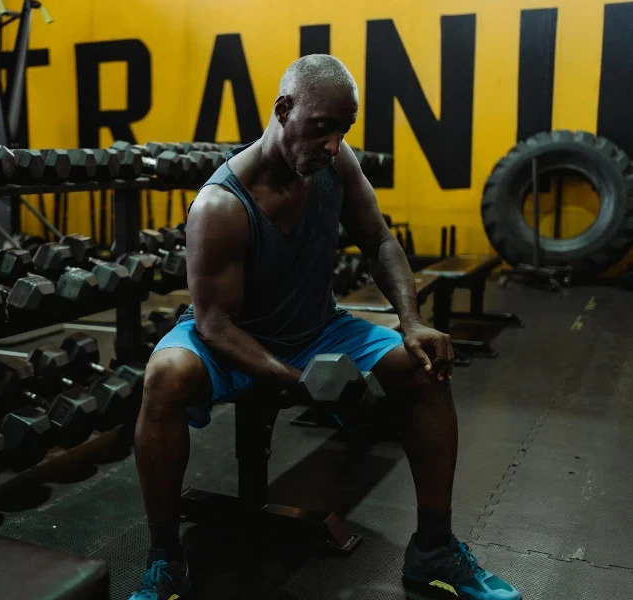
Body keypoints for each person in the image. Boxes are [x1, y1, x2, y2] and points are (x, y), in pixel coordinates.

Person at [127, 54, 522, 600]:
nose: (333, 144)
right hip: (231, 337)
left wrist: (411, 324)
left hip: (318, 329)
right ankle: (165, 559)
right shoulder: (220, 205)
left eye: (343, 130)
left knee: (426, 367)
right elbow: (216, 326)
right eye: (321, 128)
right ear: (283, 110)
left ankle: (434, 546)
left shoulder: (337, 167)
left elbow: (380, 240)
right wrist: (298, 382)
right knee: (163, 376)